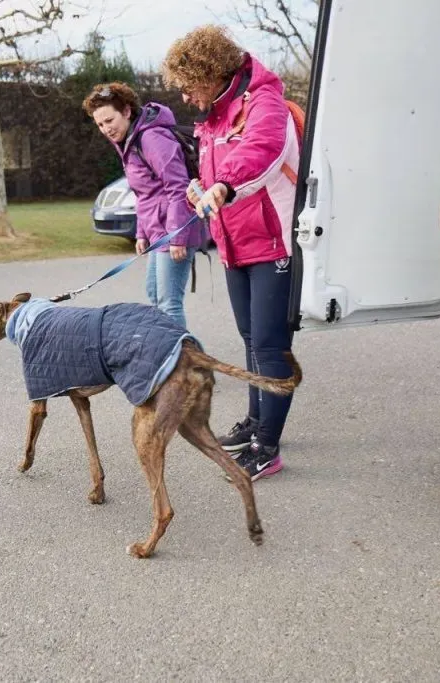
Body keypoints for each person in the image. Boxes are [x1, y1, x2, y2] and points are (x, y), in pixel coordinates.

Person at [161, 25, 301, 480]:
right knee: (250, 339)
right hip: (234, 243)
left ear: (211, 72)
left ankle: (268, 447)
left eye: (188, 85)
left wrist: (223, 184)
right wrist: (198, 189)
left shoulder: (264, 100)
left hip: (272, 239)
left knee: (271, 345)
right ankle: (258, 421)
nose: (185, 96)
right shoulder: (214, 117)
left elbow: (261, 153)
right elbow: (213, 174)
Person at [82, 82, 203, 329]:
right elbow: (145, 193)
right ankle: (174, 357)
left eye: (109, 120)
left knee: (169, 303)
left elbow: (177, 187)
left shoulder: (151, 138)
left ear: (126, 111)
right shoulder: (128, 140)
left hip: (174, 229)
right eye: (100, 125)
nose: (106, 129)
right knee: (154, 293)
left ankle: (183, 360)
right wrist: (141, 233)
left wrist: (176, 236)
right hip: (158, 230)